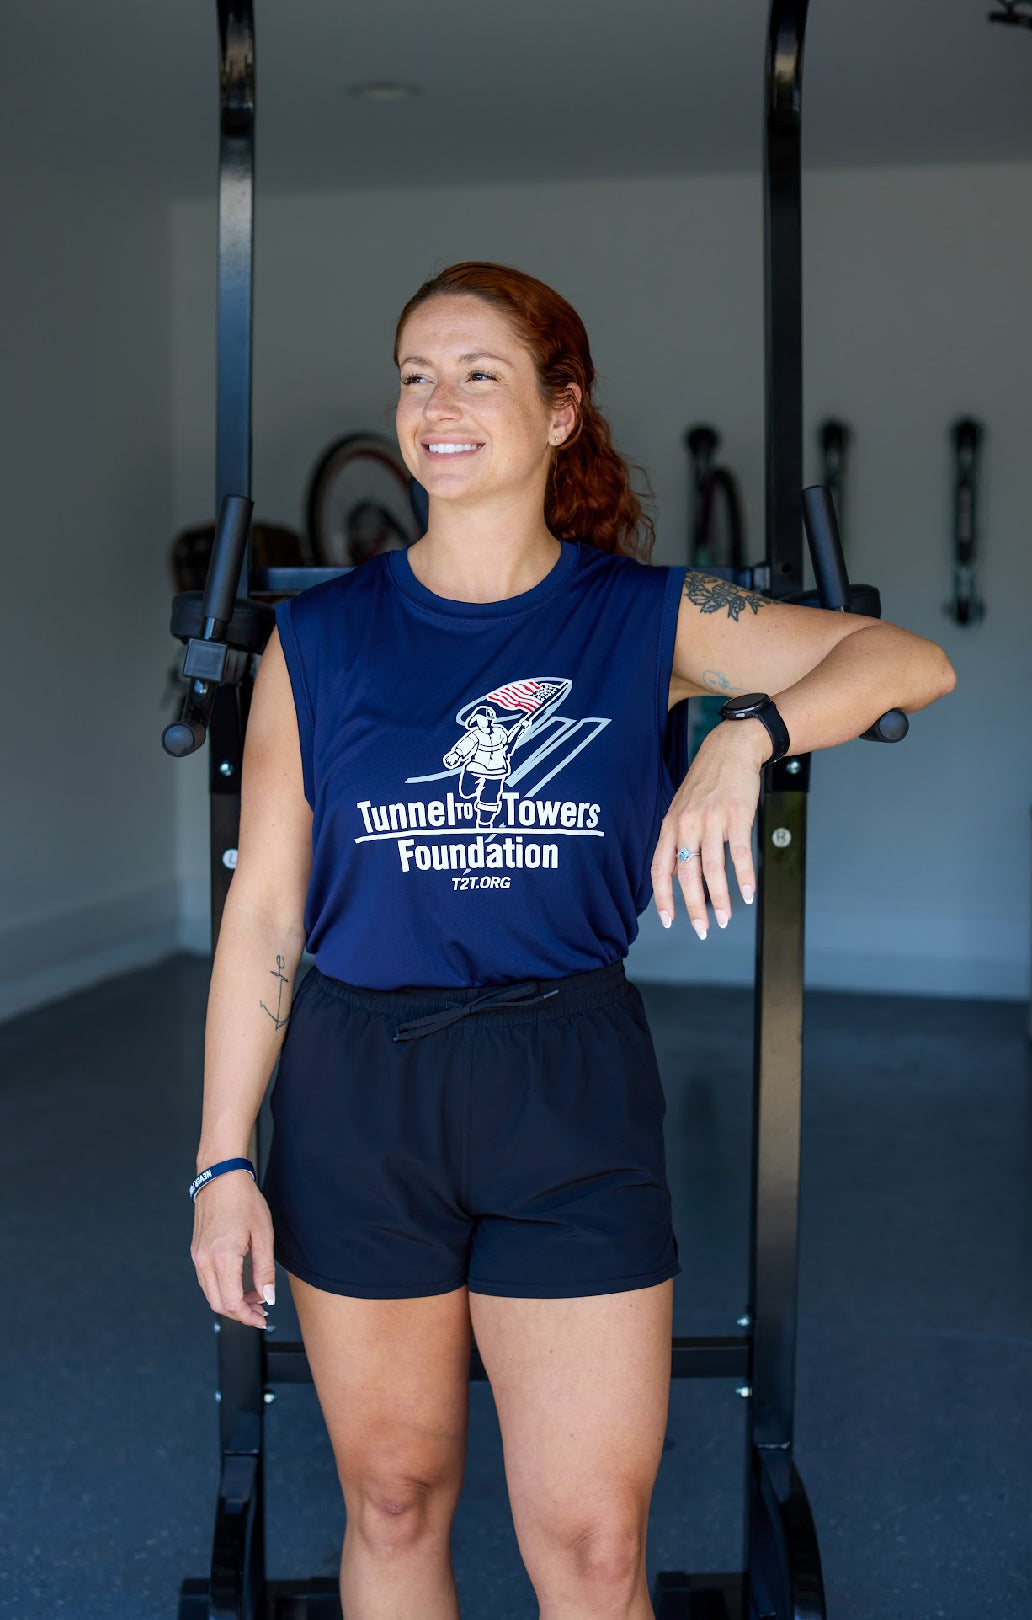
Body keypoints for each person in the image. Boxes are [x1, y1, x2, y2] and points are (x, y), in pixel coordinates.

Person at [189, 261, 956, 1620]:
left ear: (560, 411)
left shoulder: (646, 616)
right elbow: (264, 913)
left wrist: (746, 738)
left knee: (597, 1546)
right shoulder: (321, 641)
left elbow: (905, 661)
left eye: (479, 374)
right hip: (359, 1093)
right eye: (416, 376)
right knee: (392, 1499)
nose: (439, 404)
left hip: (567, 1082)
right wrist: (222, 1160)